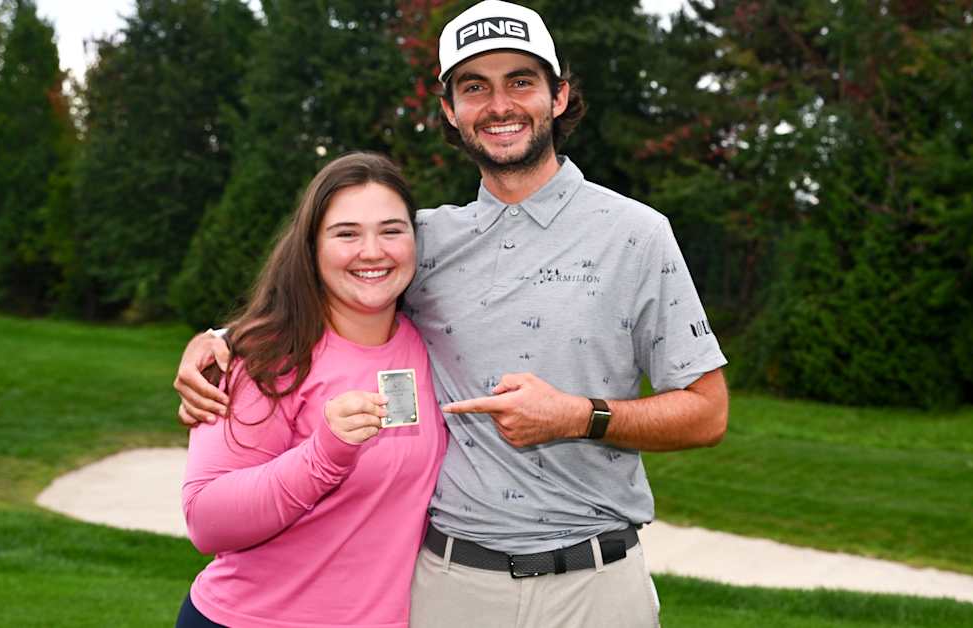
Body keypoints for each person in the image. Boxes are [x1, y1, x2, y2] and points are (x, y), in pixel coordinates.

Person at [174, 2, 729, 626]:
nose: (499, 105)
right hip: (454, 585)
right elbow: (335, 280)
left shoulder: (637, 234)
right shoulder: (423, 242)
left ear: (558, 96)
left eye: (520, 81)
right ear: (449, 110)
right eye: (475, 88)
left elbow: (707, 413)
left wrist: (578, 416)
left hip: (597, 583)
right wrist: (222, 339)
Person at [175, 152, 447, 628]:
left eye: (391, 230)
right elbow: (206, 521)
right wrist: (323, 455)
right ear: (311, 247)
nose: (372, 251)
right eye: (346, 234)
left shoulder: (430, 343)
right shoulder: (266, 357)